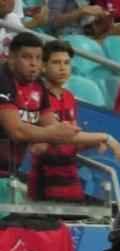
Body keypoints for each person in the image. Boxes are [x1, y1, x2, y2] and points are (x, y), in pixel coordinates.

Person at [30, 39, 120, 201]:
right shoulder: (36, 96)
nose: (62, 68)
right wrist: (104, 137)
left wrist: (91, 142)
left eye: (66, 63)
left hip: (70, 179)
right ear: (43, 67)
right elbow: (59, 136)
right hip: (43, 178)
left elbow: (71, 142)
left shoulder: (69, 97)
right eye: (56, 62)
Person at [0, 32, 79, 180]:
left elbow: (56, 128)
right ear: (11, 58)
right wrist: (49, 135)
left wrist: (103, 138)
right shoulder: (2, 79)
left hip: (10, 173)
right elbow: (17, 131)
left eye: (38, 58)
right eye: (27, 57)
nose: (34, 63)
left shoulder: (38, 85)